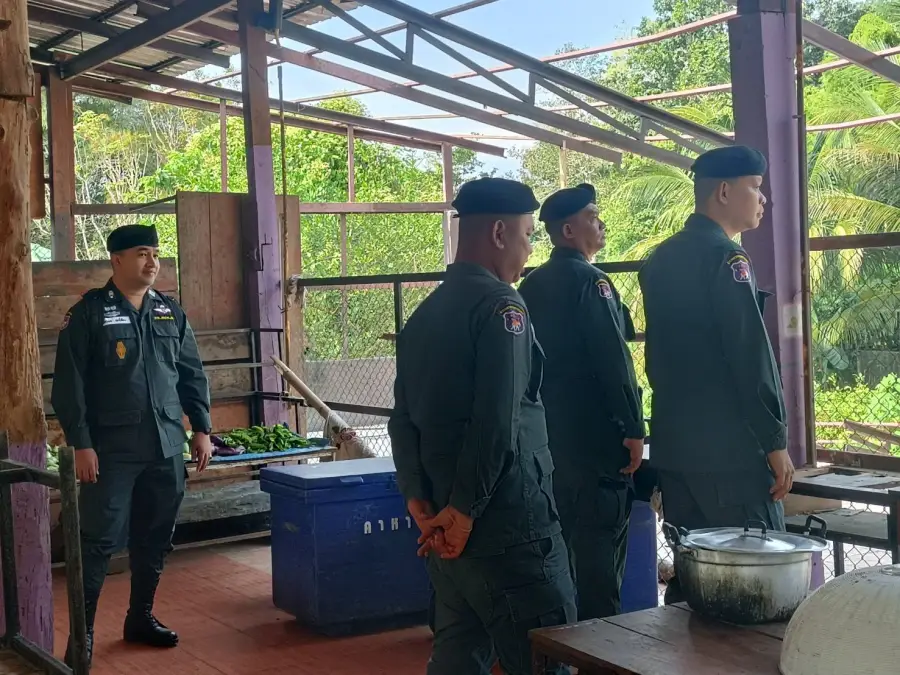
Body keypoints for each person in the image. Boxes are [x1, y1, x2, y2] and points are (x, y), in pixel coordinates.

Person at [388, 177, 576, 675]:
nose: (529, 250)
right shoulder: (501, 306)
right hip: (511, 530)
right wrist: (466, 510)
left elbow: (401, 419)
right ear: (498, 232)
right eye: (528, 235)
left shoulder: (425, 315)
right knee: (546, 659)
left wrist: (418, 497)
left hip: (445, 534)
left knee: (457, 656)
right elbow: (497, 421)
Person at [638, 146, 795, 604]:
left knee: (694, 580)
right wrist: (774, 441)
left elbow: (658, 359)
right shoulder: (727, 258)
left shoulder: (661, 258)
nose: (763, 199)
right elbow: (749, 356)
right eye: (756, 187)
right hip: (731, 457)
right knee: (755, 585)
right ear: (724, 192)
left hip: (678, 452)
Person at [52, 224, 213, 666]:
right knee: (97, 541)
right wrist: (81, 443)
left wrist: (201, 428)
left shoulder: (169, 312)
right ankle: (81, 636)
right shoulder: (88, 313)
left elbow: (191, 373)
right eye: (142, 253)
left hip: (166, 446)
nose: (152, 261)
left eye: (156, 253)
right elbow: (69, 386)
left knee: (155, 537)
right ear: (117, 259)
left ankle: (140, 618)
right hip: (111, 451)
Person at [518, 183, 645, 620]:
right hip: (595, 444)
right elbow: (614, 360)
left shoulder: (531, 284)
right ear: (568, 230)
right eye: (592, 216)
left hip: (549, 441)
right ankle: (599, 647)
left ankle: (558, 645)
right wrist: (633, 426)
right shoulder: (592, 282)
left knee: (557, 553)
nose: (600, 223)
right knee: (599, 561)